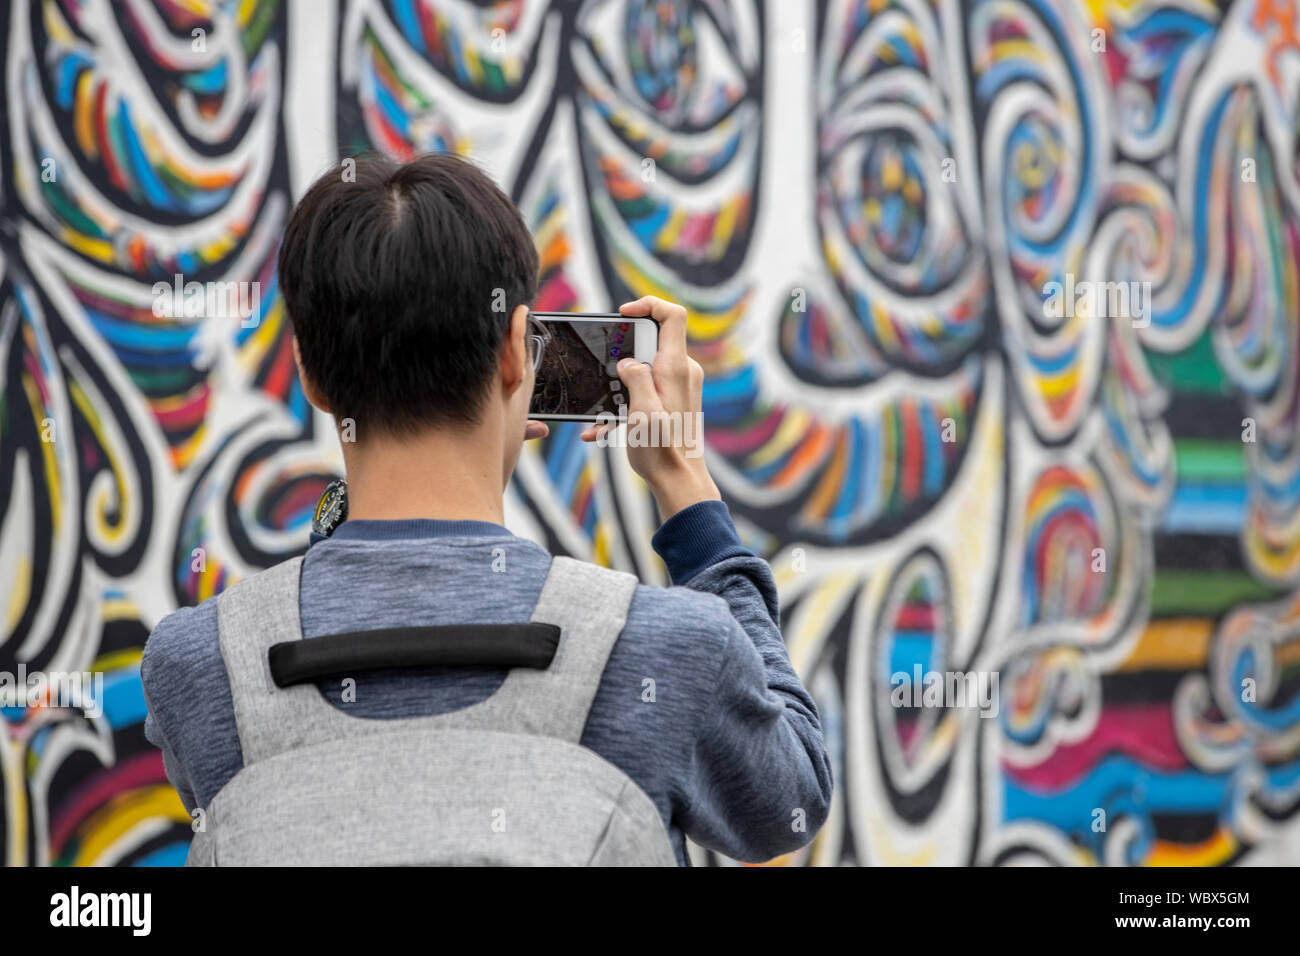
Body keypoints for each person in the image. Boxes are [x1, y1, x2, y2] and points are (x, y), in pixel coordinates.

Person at [141, 151, 832, 865]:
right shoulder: (666, 649)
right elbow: (789, 802)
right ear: (515, 350)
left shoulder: (200, 667)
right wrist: (689, 496)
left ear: (310, 375)